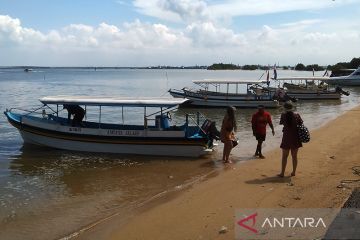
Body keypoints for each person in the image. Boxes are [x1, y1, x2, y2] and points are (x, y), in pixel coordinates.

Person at [278, 101, 303, 177]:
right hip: (295, 138)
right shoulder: (297, 115)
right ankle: (293, 172)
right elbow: (301, 123)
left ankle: (282, 173)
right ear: (292, 108)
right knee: (294, 156)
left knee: (284, 156)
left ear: (284, 108)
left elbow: (281, 123)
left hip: (286, 138)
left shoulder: (283, 115)